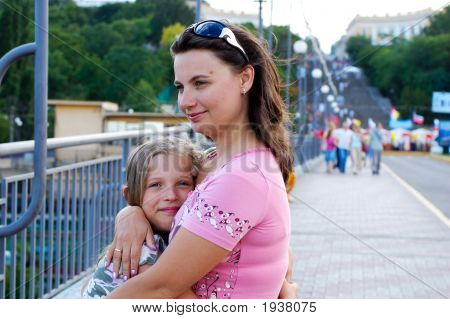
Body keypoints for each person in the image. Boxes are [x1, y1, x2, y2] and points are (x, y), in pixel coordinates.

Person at [104, 20, 295, 299]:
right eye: (181, 87)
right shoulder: (212, 162)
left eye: (200, 83)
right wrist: (130, 213)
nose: (185, 101)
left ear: (245, 79)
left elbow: (160, 287)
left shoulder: (243, 177)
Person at [83, 138, 202, 298]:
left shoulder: (173, 241)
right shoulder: (143, 251)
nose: (170, 196)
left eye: (182, 183)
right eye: (155, 185)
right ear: (130, 195)